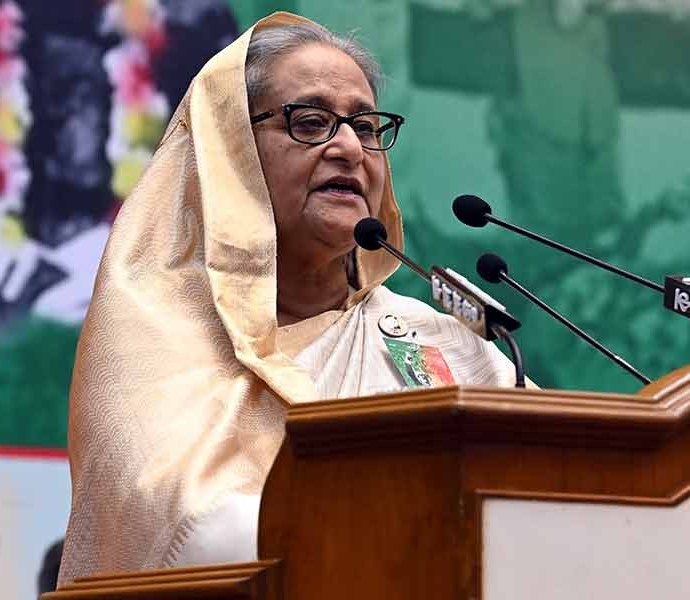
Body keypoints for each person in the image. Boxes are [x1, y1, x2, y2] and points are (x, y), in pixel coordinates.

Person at [57, 11, 521, 586]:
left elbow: (555, 506)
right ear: (232, 154)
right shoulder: (153, 334)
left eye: (367, 126)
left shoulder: (440, 341)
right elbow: (192, 533)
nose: (351, 148)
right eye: (310, 121)